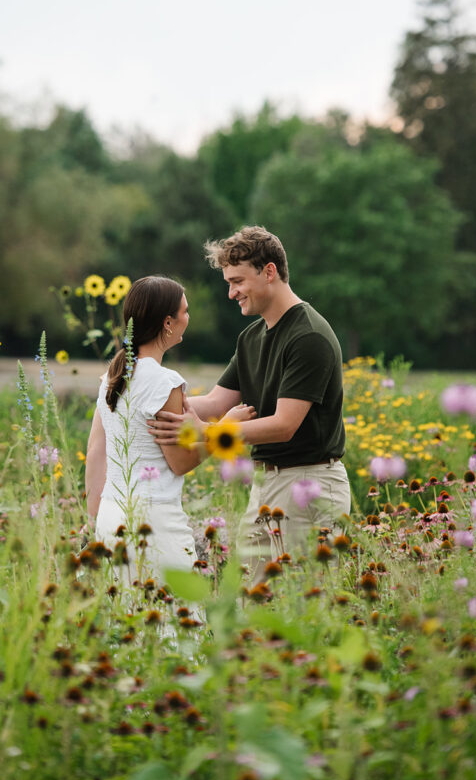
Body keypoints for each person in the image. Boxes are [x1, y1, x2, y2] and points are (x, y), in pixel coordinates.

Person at [149, 226, 350, 584]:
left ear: (269, 272)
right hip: (266, 484)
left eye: (238, 281)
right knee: (251, 604)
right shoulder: (252, 337)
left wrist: (210, 432)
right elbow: (213, 402)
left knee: (304, 609)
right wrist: (142, 402)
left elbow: (284, 424)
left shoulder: (309, 336)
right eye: (229, 282)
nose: (231, 293)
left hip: (308, 482)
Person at [85, 275, 254, 583]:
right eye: (185, 311)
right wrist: (225, 429)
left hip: (111, 517)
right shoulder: (165, 382)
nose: (188, 318)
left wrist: (96, 516)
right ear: (167, 323)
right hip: (154, 520)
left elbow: (96, 451)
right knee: (175, 620)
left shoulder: (113, 375)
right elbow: (180, 462)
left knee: (129, 621)